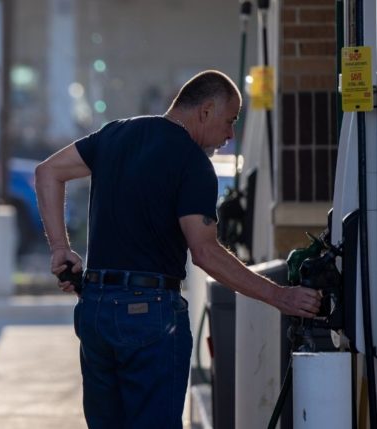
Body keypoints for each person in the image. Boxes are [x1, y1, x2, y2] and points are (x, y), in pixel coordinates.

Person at [34, 70, 321, 429]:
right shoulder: (193, 163)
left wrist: (61, 249)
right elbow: (204, 252)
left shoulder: (116, 133)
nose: (230, 135)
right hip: (149, 316)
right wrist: (280, 296)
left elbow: (48, 172)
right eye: (230, 121)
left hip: (95, 310)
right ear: (206, 110)